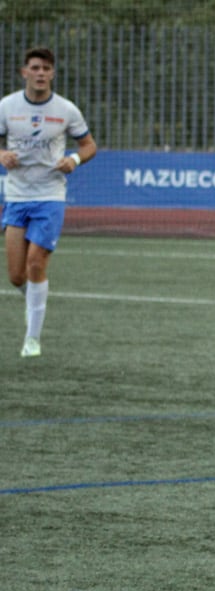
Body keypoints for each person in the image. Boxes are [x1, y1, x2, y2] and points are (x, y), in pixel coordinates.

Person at [0, 46, 96, 359]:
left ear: (52, 74)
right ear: (24, 72)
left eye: (46, 68)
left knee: (36, 263)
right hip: (16, 196)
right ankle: (34, 302)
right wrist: (2, 154)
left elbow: (89, 145)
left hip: (50, 196)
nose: (40, 73)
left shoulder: (66, 110)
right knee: (16, 276)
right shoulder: (7, 106)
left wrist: (74, 160)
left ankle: (32, 339)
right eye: (35, 68)